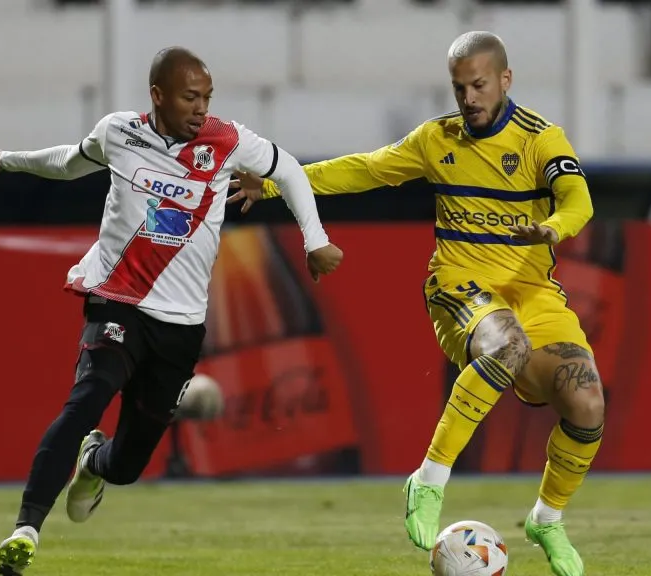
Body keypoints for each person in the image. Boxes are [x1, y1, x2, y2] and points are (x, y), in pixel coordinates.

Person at [229, 31, 603, 576]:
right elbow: (363, 168)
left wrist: (553, 227)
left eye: (479, 85)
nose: (469, 98)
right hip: (459, 286)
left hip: (535, 293)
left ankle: (547, 519)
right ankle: (428, 481)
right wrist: (273, 184)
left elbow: (579, 198)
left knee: (587, 403)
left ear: (505, 80)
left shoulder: (540, 139)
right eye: (459, 88)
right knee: (507, 346)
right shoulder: (437, 139)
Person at [0, 46, 343, 576]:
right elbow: (68, 163)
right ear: (158, 95)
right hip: (118, 300)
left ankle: (93, 462)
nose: (201, 108)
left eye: (207, 97)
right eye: (191, 97)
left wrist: (315, 240)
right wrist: (7, 159)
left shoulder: (227, 140)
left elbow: (289, 171)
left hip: (180, 326)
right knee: (85, 401)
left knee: (127, 464)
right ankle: (25, 530)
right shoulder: (119, 133)